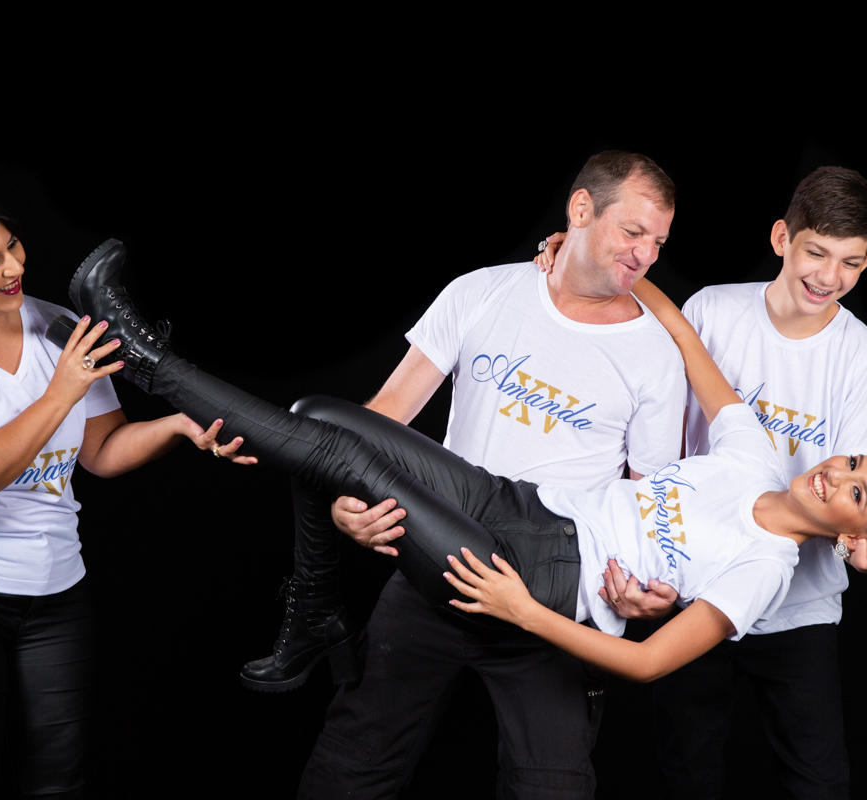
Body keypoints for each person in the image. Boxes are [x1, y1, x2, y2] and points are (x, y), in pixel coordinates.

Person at [49, 239, 867, 764]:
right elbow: (694, 348)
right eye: (854, 460)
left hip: (535, 573)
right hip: (523, 503)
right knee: (322, 417)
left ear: (855, 529)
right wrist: (617, 266)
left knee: (330, 452)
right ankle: (318, 606)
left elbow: (650, 663)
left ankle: (146, 360)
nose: (836, 473)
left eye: (856, 490)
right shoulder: (756, 457)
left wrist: (527, 610)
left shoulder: (766, 569)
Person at [282, 151, 689, 797]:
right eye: (633, 232)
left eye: (659, 242)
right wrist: (345, 502)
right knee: (350, 766)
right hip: (432, 564)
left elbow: (650, 502)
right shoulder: (481, 292)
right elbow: (383, 418)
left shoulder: (657, 357)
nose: (645, 254)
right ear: (581, 209)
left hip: (552, 598)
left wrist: (649, 586)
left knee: (551, 787)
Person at [534, 166, 867, 798]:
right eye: (816, 253)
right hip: (690, 584)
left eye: (851, 263)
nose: (829, 277)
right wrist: (579, 252)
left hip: (798, 610)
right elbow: (659, 425)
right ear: (782, 238)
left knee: (819, 779)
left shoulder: (865, 361)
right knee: (686, 771)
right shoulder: (714, 310)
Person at [0, 184, 239, 798]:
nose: (14, 268)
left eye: (13, 246)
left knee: (57, 786)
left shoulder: (58, 327)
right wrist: (60, 391)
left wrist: (180, 427)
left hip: (54, 594)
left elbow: (101, 451)